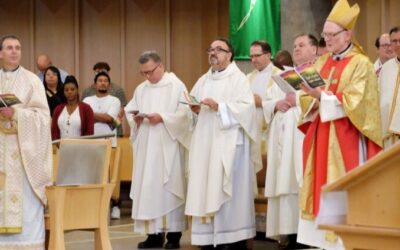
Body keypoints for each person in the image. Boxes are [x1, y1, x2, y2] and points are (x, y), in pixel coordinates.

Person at [297, 0, 382, 249]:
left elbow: (359, 102)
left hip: (346, 139)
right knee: (319, 185)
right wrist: (309, 95)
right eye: (324, 34)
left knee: (341, 186)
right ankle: (321, 242)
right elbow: (307, 97)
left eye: (331, 35)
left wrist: (320, 96)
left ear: (348, 34)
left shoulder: (361, 63)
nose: (327, 40)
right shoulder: (322, 62)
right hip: (321, 134)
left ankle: (344, 242)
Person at [185, 38, 261, 250]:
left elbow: (247, 109)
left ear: (230, 55)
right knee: (205, 185)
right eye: (211, 49)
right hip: (205, 144)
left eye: (219, 50)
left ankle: (231, 238)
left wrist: (220, 107)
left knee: (227, 191)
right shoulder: (203, 80)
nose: (214, 53)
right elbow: (193, 104)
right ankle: (207, 239)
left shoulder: (239, 79)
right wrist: (194, 109)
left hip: (229, 146)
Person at [125, 51, 191, 249]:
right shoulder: (141, 89)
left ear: (160, 66)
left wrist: (162, 117)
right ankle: (153, 235)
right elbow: (130, 110)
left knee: (168, 188)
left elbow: (185, 114)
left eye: (150, 72)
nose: (147, 76)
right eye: (143, 73)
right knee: (149, 190)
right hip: (147, 148)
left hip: (168, 147)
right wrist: (135, 119)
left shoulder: (176, 86)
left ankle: (173, 236)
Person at [247, 41, 304, 247]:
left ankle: (299, 236)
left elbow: (313, 100)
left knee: (295, 184)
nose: (296, 49)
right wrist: (275, 104)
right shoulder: (276, 78)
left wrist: (293, 102)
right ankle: (286, 234)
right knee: (282, 184)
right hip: (278, 138)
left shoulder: (307, 74)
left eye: (301, 46)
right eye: (295, 46)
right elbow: (271, 100)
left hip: (298, 138)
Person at [0, 35, 52, 250]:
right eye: (9, 48)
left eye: (18, 48)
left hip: (24, 156)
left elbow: (43, 117)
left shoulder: (32, 81)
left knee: (26, 202)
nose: (14, 51)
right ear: (0, 53)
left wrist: (16, 114)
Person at [81, 62, 127, 137]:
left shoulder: (118, 89)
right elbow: (83, 113)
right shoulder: (87, 91)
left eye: (104, 71)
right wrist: (103, 120)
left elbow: (121, 112)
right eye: (98, 71)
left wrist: (111, 126)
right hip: (92, 131)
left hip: (113, 130)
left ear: (108, 72)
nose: (101, 73)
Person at [83, 72, 121, 148]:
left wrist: (90, 115)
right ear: (94, 85)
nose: (103, 83)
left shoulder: (115, 100)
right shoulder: (87, 100)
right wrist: (104, 118)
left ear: (109, 85)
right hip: (90, 142)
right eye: (100, 81)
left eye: (105, 81)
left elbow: (110, 118)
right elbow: (84, 119)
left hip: (110, 142)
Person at [51, 75, 94, 140]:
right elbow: (54, 132)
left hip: (80, 148)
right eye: (66, 90)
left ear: (77, 90)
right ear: (64, 92)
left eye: (72, 89)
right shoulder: (58, 109)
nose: (69, 92)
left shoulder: (86, 109)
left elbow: (90, 133)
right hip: (60, 148)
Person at [378, 26, 400, 149]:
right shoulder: (386, 69)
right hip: (388, 136)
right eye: (394, 41)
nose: (397, 44)